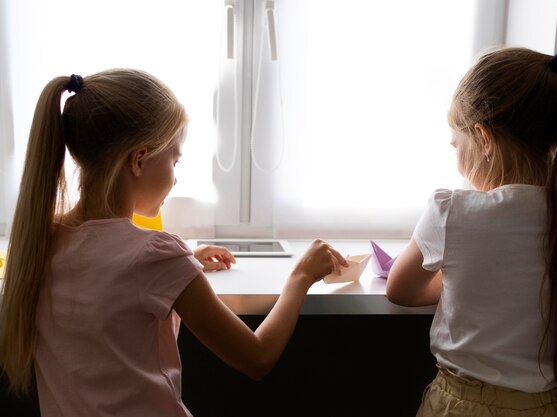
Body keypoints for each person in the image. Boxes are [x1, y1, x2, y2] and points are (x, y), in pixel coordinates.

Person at [0, 69, 348, 416]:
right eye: (174, 159)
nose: (175, 175)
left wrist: (185, 263)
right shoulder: (155, 255)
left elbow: (109, 280)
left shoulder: (41, 239)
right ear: (138, 160)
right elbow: (256, 357)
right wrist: (300, 276)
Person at [386, 48, 557, 417]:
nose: (457, 158)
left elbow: (400, 288)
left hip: (464, 407)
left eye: (457, 144)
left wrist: (459, 276)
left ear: (483, 139)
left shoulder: (451, 212)